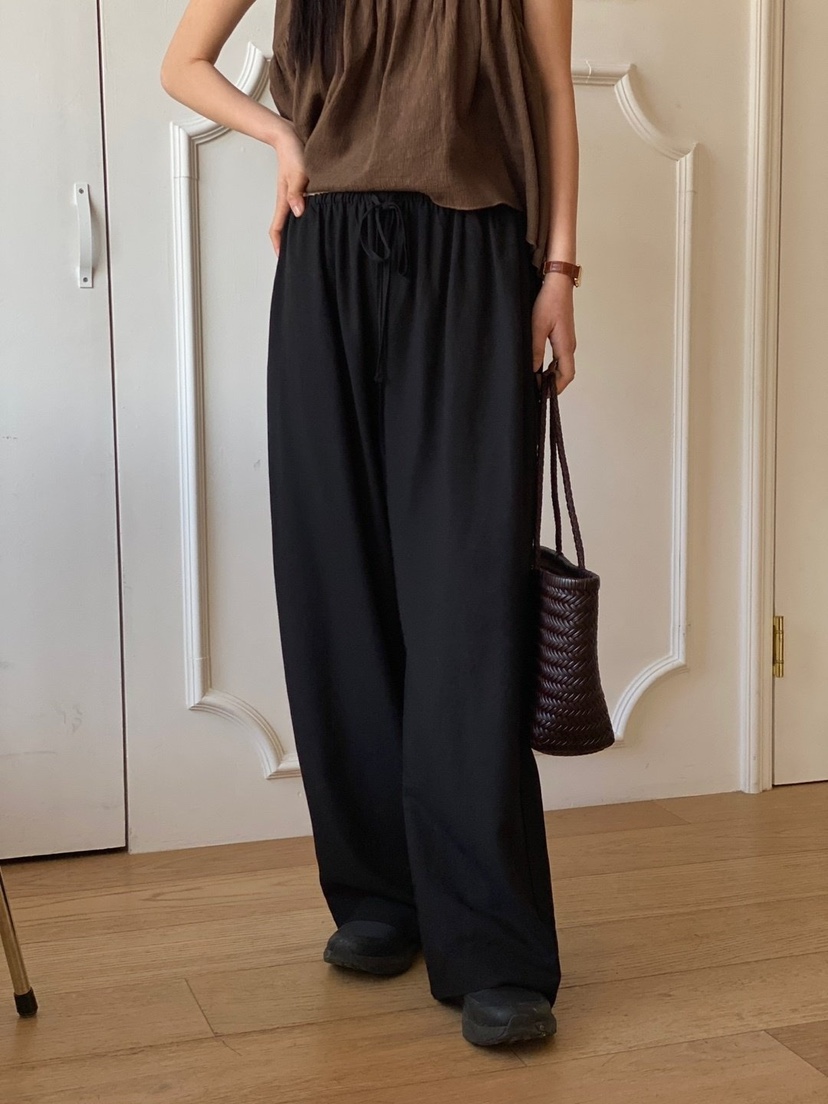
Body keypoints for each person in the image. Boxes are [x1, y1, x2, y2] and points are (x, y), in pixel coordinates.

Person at [161, 0, 579, 1047]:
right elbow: (184, 62)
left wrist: (559, 272)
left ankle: (492, 942)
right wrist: (279, 134)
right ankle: (380, 893)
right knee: (334, 581)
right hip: (327, 260)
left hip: (475, 260)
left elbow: (550, 93)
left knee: (469, 605)